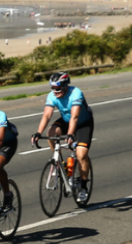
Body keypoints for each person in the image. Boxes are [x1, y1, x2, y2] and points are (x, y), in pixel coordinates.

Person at [31, 72, 94, 202]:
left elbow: (75, 117)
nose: (55, 91)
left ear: (66, 86)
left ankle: (83, 187)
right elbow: (47, 116)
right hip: (66, 121)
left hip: (83, 124)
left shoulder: (76, 93)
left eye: (58, 89)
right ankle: (59, 162)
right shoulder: (51, 96)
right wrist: (38, 132)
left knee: (81, 154)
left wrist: (70, 134)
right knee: (51, 133)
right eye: (53, 89)